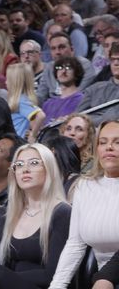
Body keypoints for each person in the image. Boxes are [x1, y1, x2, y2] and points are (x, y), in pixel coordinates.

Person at [0, 143, 71, 289]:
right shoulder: (9, 216)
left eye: (34, 163)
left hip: (45, 286)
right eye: (19, 165)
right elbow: (0, 265)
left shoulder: (62, 213)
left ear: (49, 169)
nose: (25, 169)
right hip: (10, 284)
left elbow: (52, 275)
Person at [48, 120, 119, 288]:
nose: (109, 147)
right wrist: (57, 285)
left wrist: (105, 278)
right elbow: (75, 244)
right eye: (103, 142)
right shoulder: (85, 186)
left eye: (118, 142)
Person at [4, 63, 44, 141]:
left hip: (18, 142)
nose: (5, 82)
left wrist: (33, 135)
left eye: (8, 79)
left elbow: (41, 115)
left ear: (15, 82)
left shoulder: (22, 101)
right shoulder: (19, 100)